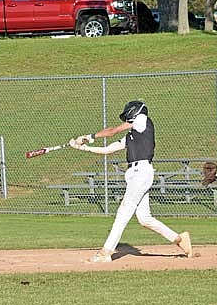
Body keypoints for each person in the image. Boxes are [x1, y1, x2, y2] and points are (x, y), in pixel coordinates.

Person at [69, 100, 193, 262]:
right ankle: (179, 239)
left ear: (134, 112)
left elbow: (113, 131)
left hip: (141, 171)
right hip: (136, 173)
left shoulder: (142, 120)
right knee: (144, 218)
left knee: (123, 212)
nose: (126, 119)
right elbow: (108, 150)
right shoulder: (132, 135)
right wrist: (82, 147)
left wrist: (89, 137)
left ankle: (106, 252)